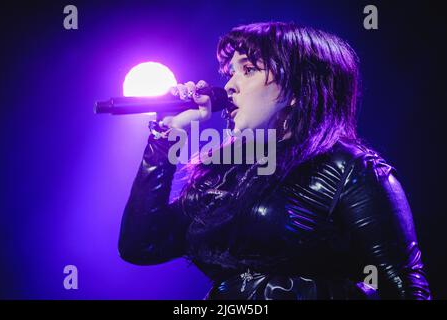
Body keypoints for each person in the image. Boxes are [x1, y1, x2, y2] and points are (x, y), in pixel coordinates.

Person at [118, 21, 431, 299]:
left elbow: (406, 288)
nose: (229, 85)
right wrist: (166, 132)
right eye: (230, 72)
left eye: (249, 69)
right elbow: (142, 244)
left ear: (297, 86)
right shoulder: (227, 170)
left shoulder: (352, 170)